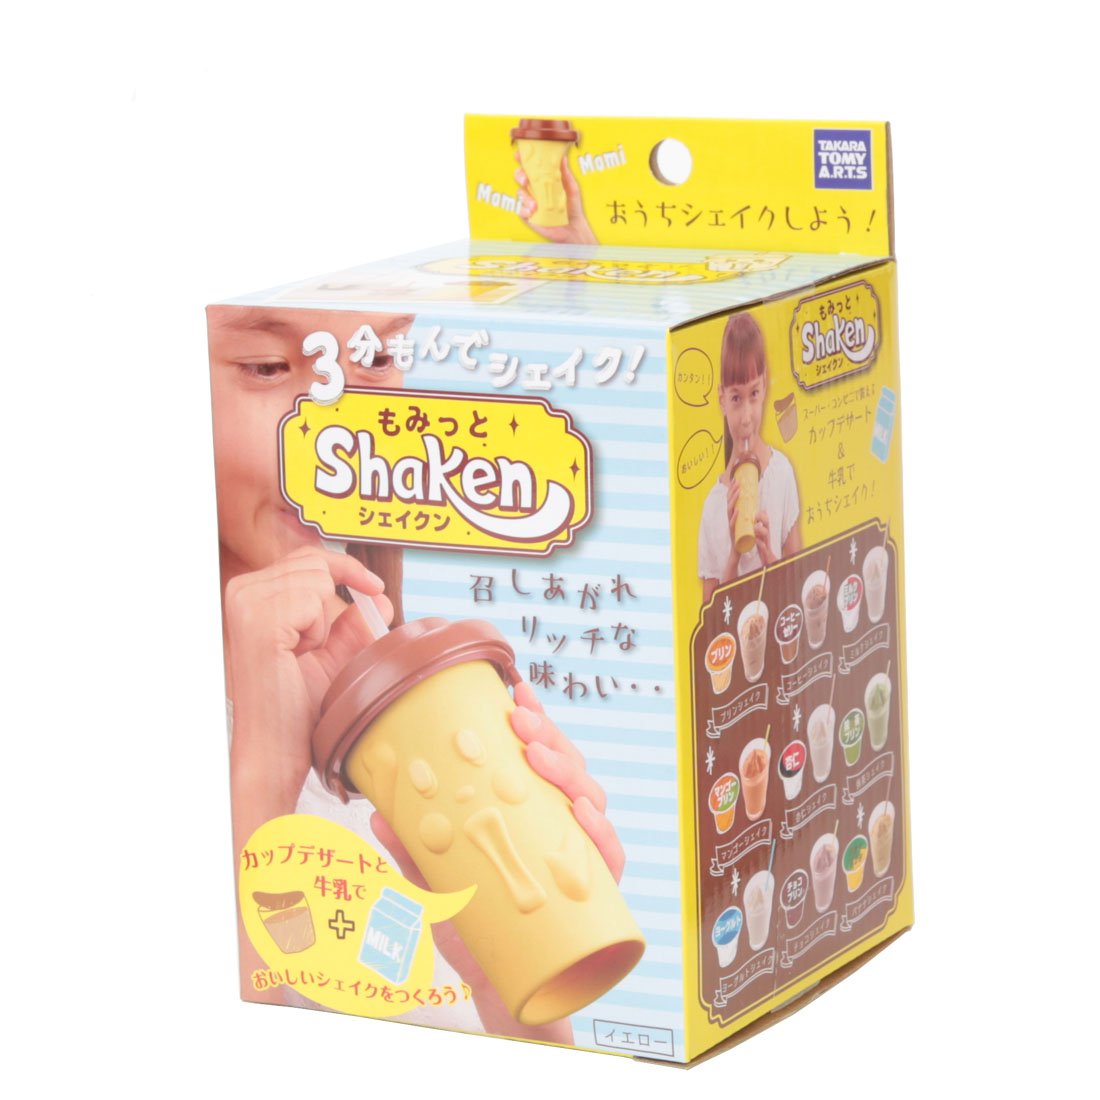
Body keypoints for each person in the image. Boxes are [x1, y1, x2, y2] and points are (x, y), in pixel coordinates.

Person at [208, 304, 624, 1043]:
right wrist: (264, 780)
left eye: (373, 359)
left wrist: (506, 976)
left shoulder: (401, 696)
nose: (335, 427)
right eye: (268, 368)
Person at [698, 312, 801, 605]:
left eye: (753, 393)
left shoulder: (781, 474)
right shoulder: (713, 507)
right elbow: (710, 620)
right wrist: (734, 554)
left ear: (765, 385)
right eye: (735, 398)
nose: (746, 417)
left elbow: (799, 579)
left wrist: (769, 556)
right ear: (721, 399)